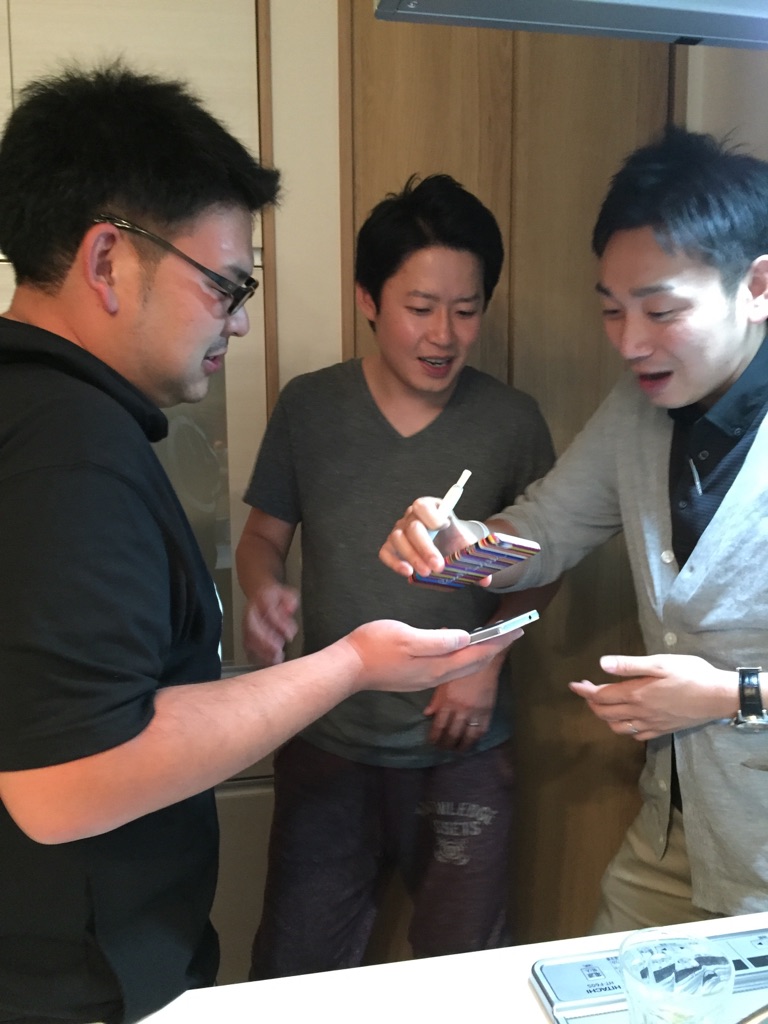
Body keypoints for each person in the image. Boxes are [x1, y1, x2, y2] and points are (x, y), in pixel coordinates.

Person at [0, 67, 518, 1024]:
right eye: (224, 285)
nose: (238, 318)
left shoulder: (45, 415)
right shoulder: (69, 448)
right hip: (71, 981)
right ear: (108, 259)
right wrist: (351, 663)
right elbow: (65, 783)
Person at [380, 126, 768, 933]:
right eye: (612, 311)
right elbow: (547, 529)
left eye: (661, 310)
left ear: (757, 286)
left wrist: (730, 695)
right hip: (675, 831)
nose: (630, 342)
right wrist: (460, 547)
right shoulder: (639, 410)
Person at [236, 174, 556, 978]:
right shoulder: (310, 407)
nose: (444, 335)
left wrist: (486, 660)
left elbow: (545, 567)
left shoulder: (511, 421)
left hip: (463, 747)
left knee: (465, 979)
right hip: (327, 741)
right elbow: (262, 539)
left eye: (467, 309)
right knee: (294, 974)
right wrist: (263, 590)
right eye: (420, 307)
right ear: (368, 300)